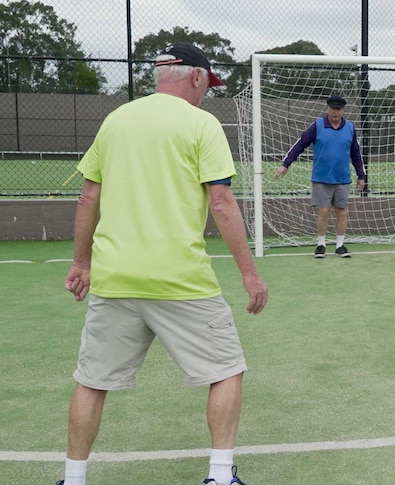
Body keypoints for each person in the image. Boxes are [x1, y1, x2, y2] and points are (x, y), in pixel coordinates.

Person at [59, 42, 267, 485]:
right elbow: (222, 201)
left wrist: (81, 262)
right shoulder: (202, 124)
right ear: (194, 77)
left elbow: (88, 196)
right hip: (181, 281)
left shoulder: (116, 120)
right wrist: (250, 274)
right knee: (227, 370)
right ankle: (218, 476)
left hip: (115, 279)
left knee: (92, 380)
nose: (206, 93)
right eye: (207, 84)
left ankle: (72, 480)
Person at [275, 94, 366, 258]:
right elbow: (300, 144)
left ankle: (340, 246)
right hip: (322, 178)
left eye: (338, 109)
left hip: (342, 178)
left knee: (341, 211)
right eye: (332, 109)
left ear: (343, 110)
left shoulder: (350, 128)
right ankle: (321, 244)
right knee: (324, 211)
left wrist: (361, 175)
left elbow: (356, 154)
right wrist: (285, 164)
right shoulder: (317, 126)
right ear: (327, 108)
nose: (335, 112)